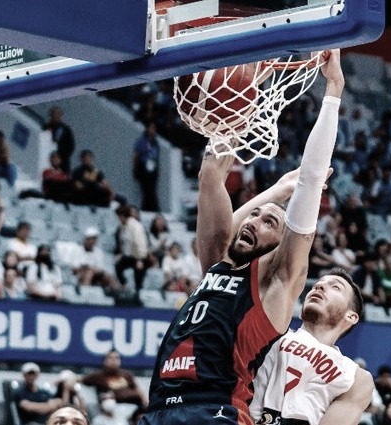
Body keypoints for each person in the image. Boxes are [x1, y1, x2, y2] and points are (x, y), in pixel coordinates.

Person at [141, 49, 345, 425]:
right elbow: (210, 175)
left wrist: (332, 91)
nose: (254, 220)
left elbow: (313, 180)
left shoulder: (275, 284)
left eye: (270, 223)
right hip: (157, 413)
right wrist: (248, 83)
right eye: (252, 213)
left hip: (216, 412)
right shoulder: (215, 268)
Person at [249, 269, 374, 425]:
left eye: (335, 287)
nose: (319, 287)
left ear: (351, 316)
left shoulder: (356, 377)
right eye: (317, 285)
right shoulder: (273, 333)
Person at [80, 350, 147, 408]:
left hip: (132, 406)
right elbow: (80, 380)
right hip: (113, 407)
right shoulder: (98, 376)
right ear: (105, 361)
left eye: (117, 358)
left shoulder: (127, 375)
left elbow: (138, 390)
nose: (114, 360)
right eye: (110, 358)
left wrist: (145, 401)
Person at [113, 204, 153, 297]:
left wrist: (140, 259)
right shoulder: (123, 226)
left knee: (138, 273)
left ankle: (138, 294)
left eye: (118, 217)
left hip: (140, 256)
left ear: (122, 216)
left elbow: (140, 243)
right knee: (118, 266)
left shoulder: (136, 226)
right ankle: (124, 286)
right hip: (129, 256)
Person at [132, 121, 160, 212]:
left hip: (153, 167)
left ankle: (149, 208)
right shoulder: (142, 141)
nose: (153, 130)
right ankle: (150, 208)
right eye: (151, 128)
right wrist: (136, 169)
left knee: (152, 188)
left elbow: (156, 156)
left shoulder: (155, 142)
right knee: (147, 189)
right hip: (143, 167)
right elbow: (136, 155)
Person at [43, 106, 76, 173]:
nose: (56, 116)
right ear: (51, 115)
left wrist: (61, 157)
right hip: (47, 160)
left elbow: (71, 146)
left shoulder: (66, 129)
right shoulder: (45, 128)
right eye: (54, 114)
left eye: (58, 114)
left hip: (62, 162)